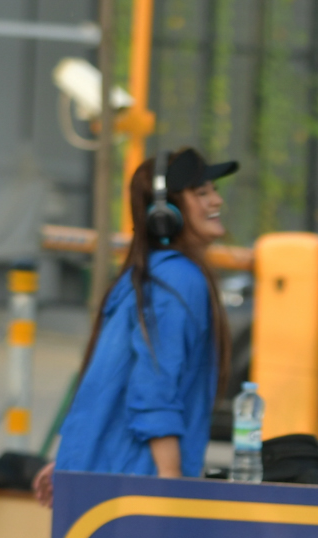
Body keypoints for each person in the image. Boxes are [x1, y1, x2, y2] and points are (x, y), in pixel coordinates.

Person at [35, 148, 237, 504]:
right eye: (202, 193)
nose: (216, 200)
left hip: (103, 478)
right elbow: (154, 391)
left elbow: (111, 381)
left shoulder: (147, 275)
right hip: (136, 487)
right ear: (165, 212)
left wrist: (77, 462)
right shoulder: (178, 279)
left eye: (214, 190)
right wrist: (170, 484)